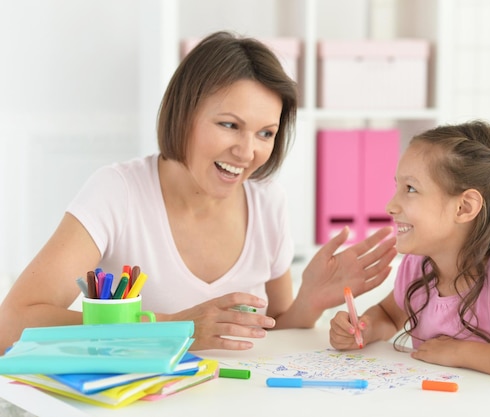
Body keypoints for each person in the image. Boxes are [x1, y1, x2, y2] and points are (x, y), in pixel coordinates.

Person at [0, 31, 397, 354]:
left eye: (266, 133)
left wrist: (309, 301)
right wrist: (175, 328)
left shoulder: (267, 201)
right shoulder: (117, 192)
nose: (246, 152)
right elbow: (12, 323)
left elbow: (270, 330)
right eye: (229, 125)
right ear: (185, 113)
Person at [329, 120, 490, 386]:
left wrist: (460, 352)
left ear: (464, 207)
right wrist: (361, 328)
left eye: (410, 189)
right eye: (397, 187)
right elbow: (389, 316)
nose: (390, 205)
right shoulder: (418, 266)